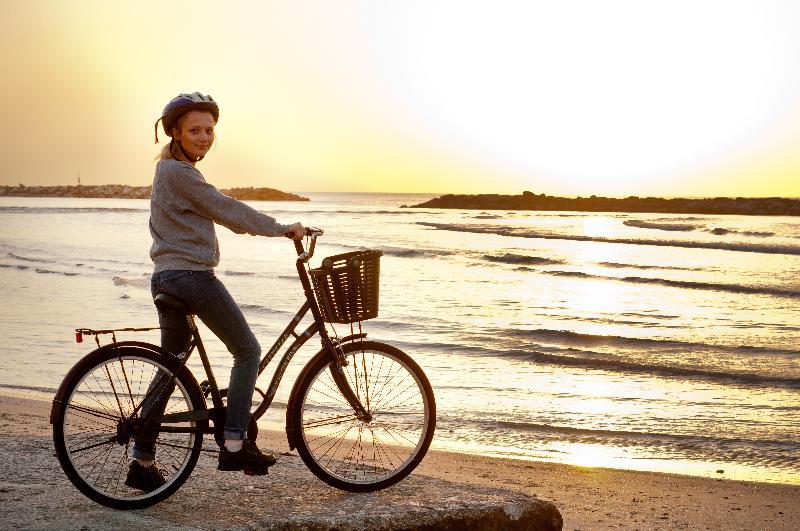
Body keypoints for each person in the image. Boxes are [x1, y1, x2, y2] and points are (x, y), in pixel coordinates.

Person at [126, 92, 304, 491]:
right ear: (174, 132)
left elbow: (223, 211)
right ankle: (236, 442)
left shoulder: (172, 172)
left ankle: (142, 459)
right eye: (195, 130)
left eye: (209, 130)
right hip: (191, 278)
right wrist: (281, 228)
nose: (204, 137)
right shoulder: (179, 174)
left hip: (166, 277)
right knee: (247, 351)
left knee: (169, 367)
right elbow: (228, 210)